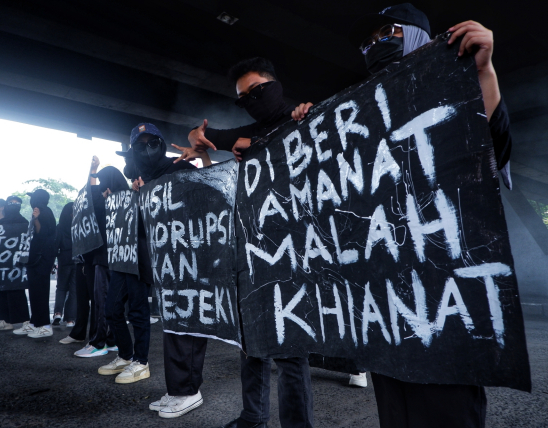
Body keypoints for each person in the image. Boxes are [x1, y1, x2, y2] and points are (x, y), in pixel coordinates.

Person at [292, 4, 511, 427]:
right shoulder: (364, 117)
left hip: (445, 308)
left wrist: (484, 74)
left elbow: (487, 146)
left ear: (419, 36)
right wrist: (307, 133)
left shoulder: (451, 90)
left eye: (387, 32)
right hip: (388, 310)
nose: (376, 45)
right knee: (395, 412)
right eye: (367, 41)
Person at [187, 59, 313, 428]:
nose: (252, 100)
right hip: (250, 250)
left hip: (295, 251)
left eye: (257, 90)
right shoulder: (251, 133)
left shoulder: (304, 120)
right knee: (250, 340)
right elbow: (205, 136)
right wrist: (202, 139)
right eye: (243, 98)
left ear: (275, 84)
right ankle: (253, 417)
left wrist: (305, 120)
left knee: (290, 350)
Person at [124, 123, 206, 419]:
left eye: (152, 142)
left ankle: (189, 390)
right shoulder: (144, 181)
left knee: (187, 324)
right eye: (140, 144)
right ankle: (177, 388)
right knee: (172, 325)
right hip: (165, 266)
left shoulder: (179, 169)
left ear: (162, 143)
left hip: (190, 262)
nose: (147, 149)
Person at [95, 165, 152, 384]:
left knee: (138, 311)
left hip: (137, 261)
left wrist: (140, 197)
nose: (103, 189)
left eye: (105, 184)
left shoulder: (139, 196)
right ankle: (126, 355)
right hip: (120, 262)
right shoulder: (109, 201)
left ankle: (141, 361)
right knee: (112, 309)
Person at [73, 156, 117, 357]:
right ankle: (111, 340)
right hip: (110, 259)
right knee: (109, 302)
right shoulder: (113, 200)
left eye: (103, 182)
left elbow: (91, 194)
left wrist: (93, 170)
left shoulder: (105, 202)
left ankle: (99, 343)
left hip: (104, 260)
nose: (101, 188)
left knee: (101, 302)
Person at [13, 189, 57, 338]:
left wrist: (37, 218)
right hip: (35, 260)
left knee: (40, 292)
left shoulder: (46, 212)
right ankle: (35, 322)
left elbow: (43, 233)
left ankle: (45, 325)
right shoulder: (40, 211)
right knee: (34, 292)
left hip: (42, 260)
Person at [0, 196, 32, 332]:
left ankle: (25, 321)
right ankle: (3, 320)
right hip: (0, 264)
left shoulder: (25, 223)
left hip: (16, 265)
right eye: (11, 203)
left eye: (17, 203)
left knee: (17, 291)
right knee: (0, 291)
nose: (14, 205)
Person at [53, 202, 77, 327]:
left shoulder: (60, 227)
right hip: (78, 260)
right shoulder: (80, 225)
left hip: (63, 259)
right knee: (74, 290)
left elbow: (55, 245)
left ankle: (58, 312)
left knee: (61, 288)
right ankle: (70, 319)